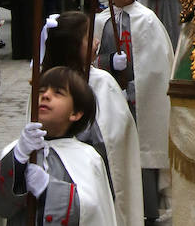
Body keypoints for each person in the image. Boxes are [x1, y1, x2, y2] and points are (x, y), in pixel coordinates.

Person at [41, 12, 144, 226]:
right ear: (73, 47)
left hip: (98, 177)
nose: (97, 42)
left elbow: (117, 139)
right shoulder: (45, 86)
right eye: (89, 38)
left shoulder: (102, 83)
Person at [94, 0, 173, 226]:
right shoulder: (101, 21)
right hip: (112, 98)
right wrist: (107, 62)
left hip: (140, 99)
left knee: (143, 149)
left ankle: (148, 208)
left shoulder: (147, 19)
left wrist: (142, 82)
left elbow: (159, 63)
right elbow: (91, 61)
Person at [0, 66, 117, 225]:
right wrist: (18, 159)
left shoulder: (88, 158)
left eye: (58, 93)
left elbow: (90, 211)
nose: (45, 96)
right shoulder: (16, 150)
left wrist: (48, 189)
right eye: (41, 91)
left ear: (75, 113)